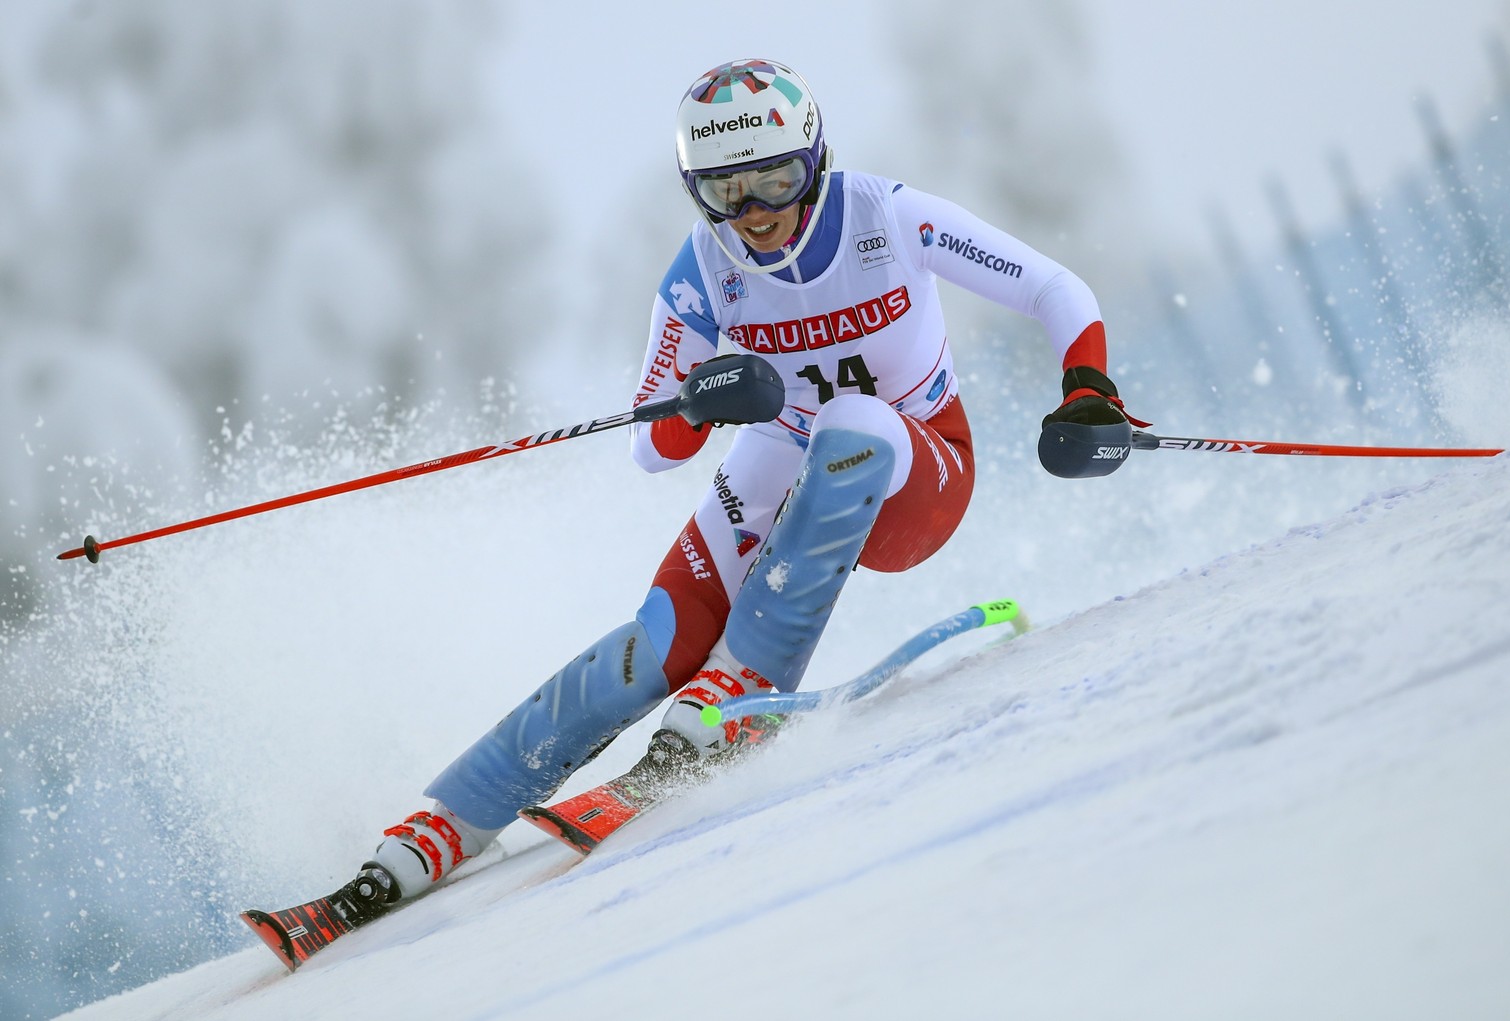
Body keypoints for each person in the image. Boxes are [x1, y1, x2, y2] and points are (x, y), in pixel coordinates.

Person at [327, 57, 1139, 922]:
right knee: (658, 642)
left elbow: (1055, 287)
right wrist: (708, 393)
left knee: (854, 419)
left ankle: (741, 688)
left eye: (777, 180)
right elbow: (650, 443)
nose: (756, 214)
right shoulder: (701, 272)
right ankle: (443, 823)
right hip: (781, 461)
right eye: (726, 193)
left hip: (916, 467)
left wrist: (1088, 387)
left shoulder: (889, 216)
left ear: (816, 162)